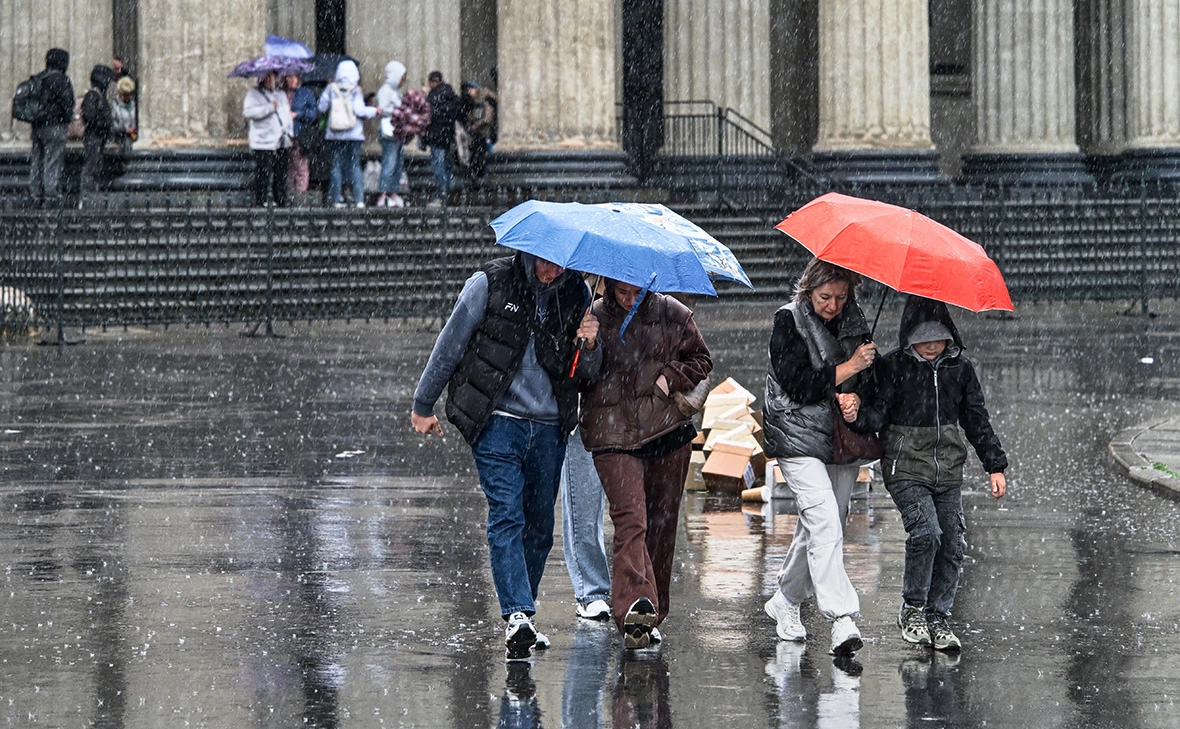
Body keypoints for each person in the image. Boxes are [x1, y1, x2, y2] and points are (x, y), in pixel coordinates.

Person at [411, 251, 600, 660]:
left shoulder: (578, 294)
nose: (551, 272)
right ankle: (517, 613)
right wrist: (423, 403)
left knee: (540, 524)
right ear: (528, 254)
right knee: (506, 515)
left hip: (550, 426)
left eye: (560, 266)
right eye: (544, 263)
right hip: (497, 420)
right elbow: (450, 343)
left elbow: (587, 372)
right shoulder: (490, 284)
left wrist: (590, 343)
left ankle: (524, 617)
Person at [843, 295, 1007, 652]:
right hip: (906, 469)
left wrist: (995, 465)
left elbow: (976, 420)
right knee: (926, 533)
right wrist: (856, 416)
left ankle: (939, 615)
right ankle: (913, 608)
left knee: (953, 541)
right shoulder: (893, 367)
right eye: (923, 337)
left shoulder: (959, 370)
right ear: (909, 337)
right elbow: (877, 414)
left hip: (947, 470)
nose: (932, 345)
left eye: (938, 337)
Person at [579, 279, 713, 649]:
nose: (630, 299)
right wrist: (586, 344)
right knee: (631, 519)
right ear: (607, 283)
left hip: (666, 430)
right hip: (611, 434)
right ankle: (633, 607)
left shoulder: (673, 312)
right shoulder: (591, 315)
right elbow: (575, 375)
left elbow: (702, 359)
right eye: (623, 292)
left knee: (661, 526)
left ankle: (653, 612)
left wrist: (670, 377)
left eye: (638, 291)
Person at [761, 258, 876, 658]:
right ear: (809, 290)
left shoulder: (856, 322)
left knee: (822, 525)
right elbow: (798, 384)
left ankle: (785, 600)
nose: (833, 305)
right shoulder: (787, 321)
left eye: (841, 297)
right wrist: (847, 369)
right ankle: (841, 619)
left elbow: (868, 381)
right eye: (826, 297)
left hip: (841, 437)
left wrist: (857, 393)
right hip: (795, 433)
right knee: (824, 520)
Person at [560, 429, 612, 622]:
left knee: (634, 507)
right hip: (582, 408)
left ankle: (643, 593)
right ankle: (591, 590)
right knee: (584, 496)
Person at [318, 59, 379, 208]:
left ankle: (336, 199)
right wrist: (374, 111)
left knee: (336, 166)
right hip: (354, 133)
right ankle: (359, 199)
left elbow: (321, 107)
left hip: (335, 132)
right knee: (354, 165)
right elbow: (359, 111)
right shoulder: (356, 90)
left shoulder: (331, 88)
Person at [27, 48, 75, 205]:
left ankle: (35, 195)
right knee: (53, 160)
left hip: (38, 126)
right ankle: (51, 196)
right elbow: (67, 103)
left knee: (37, 159)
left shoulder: (39, 78)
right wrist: (67, 119)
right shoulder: (61, 80)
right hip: (55, 125)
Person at [242, 70, 293, 207]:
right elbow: (248, 112)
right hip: (263, 141)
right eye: (272, 77)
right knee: (263, 172)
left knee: (280, 172)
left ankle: (280, 199)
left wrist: (289, 132)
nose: (274, 80)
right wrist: (269, 108)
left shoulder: (281, 94)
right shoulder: (253, 94)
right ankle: (261, 200)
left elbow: (286, 114)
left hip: (281, 140)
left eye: (276, 77)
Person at [423, 70, 462, 207]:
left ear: (431, 82)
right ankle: (450, 188)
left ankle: (442, 193)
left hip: (436, 135)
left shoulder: (433, 96)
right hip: (448, 135)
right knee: (447, 164)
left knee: (438, 164)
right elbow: (458, 111)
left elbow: (428, 115)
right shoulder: (451, 94)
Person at [375, 61, 408, 208]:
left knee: (397, 163)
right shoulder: (385, 91)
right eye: (402, 77)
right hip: (389, 131)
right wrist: (398, 112)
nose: (403, 81)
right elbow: (382, 109)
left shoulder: (395, 92)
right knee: (390, 162)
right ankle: (383, 193)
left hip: (397, 131)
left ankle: (393, 191)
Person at [79, 64, 115, 195]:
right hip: (94, 136)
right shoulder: (93, 95)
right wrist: (104, 123)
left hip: (98, 136)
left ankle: (92, 193)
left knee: (96, 165)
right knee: (92, 166)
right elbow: (89, 116)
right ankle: (88, 195)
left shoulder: (97, 95)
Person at [283, 72, 318, 199]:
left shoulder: (305, 93)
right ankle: (290, 195)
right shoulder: (282, 93)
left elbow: (313, 113)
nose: (290, 80)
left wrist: (298, 114)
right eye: (288, 76)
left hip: (300, 134)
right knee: (289, 168)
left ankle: (300, 196)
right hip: (284, 134)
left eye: (292, 76)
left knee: (301, 168)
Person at [460, 80, 496, 184]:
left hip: (485, 133)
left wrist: (475, 125)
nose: (469, 92)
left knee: (481, 155)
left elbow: (487, 118)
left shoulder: (485, 99)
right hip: (479, 134)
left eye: (470, 89)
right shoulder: (476, 100)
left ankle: (480, 176)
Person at [110, 76, 137, 158]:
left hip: (133, 138)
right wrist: (125, 130)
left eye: (129, 94)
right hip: (120, 140)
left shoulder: (134, 104)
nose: (127, 97)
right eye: (125, 95)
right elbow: (112, 124)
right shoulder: (115, 105)